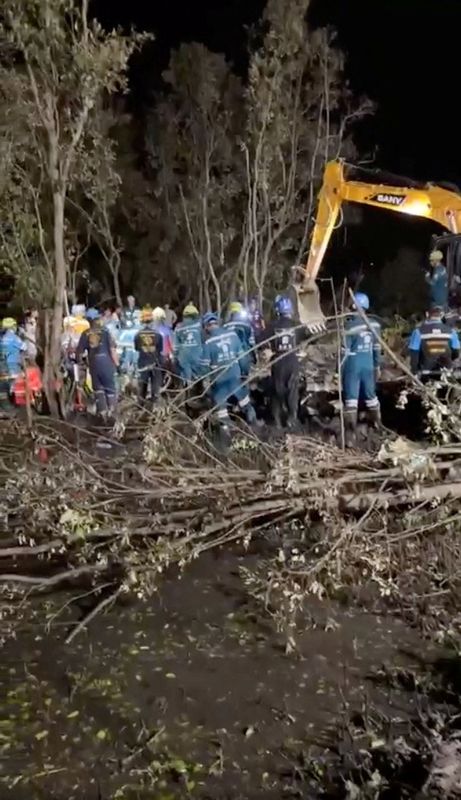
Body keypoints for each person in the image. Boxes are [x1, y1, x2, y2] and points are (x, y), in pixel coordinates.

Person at [200, 312, 257, 434]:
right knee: (246, 405)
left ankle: (226, 439)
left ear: (206, 326)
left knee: (222, 415)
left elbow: (204, 369)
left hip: (220, 386)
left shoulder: (208, 343)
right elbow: (243, 358)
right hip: (235, 381)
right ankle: (255, 431)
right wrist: (245, 374)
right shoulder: (233, 335)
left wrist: (206, 384)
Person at [341, 292, 381, 444]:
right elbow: (377, 348)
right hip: (368, 365)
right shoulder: (375, 325)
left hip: (353, 365)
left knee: (351, 400)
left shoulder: (349, 326)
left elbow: (344, 352)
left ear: (353, 306)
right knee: (372, 398)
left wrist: (338, 370)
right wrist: (377, 366)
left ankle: (350, 437)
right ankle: (377, 428)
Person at [262, 296, 307, 429]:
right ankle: (292, 418)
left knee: (277, 392)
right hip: (293, 361)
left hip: (278, 362)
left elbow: (259, 339)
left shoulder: (272, 326)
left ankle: (277, 422)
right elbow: (307, 335)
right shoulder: (297, 325)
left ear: (277, 310)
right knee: (293, 390)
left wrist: (268, 349)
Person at [76, 308, 118, 419]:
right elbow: (112, 349)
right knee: (110, 389)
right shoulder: (105, 331)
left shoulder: (85, 334)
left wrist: (81, 363)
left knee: (98, 390)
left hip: (94, 365)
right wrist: (117, 365)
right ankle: (112, 415)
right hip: (106, 363)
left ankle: (102, 416)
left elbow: (79, 353)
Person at [408, 305, 460, 379]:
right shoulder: (451, 332)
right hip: (445, 373)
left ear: (427, 314)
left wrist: (414, 371)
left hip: (425, 372)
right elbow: (456, 352)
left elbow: (414, 354)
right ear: (442, 315)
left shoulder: (418, 332)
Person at [134, 307, 163, 403]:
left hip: (143, 362)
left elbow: (137, 348)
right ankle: (155, 406)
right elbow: (160, 349)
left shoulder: (138, 335)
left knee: (143, 385)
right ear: (152, 321)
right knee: (155, 386)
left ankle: (141, 405)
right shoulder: (158, 334)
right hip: (155, 362)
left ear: (142, 322)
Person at [0, 318, 26, 413]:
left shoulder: (1, 338)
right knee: (18, 386)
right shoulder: (14, 338)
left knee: (3, 388)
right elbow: (24, 347)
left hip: (3, 367)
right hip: (14, 365)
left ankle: (5, 407)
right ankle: (20, 408)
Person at [172, 304, 203, 385]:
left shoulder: (178, 327)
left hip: (183, 355)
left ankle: (187, 390)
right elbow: (204, 340)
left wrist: (175, 356)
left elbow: (175, 345)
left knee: (185, 376)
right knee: (198, 376)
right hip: (198, 354)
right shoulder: (199, 325)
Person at [224, 302, 256, 379]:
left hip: (230, 356)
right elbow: (252, 342)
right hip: (244, 354)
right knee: (245, 379)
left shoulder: (225, 326)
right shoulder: (247, 326)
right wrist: (254, 356)